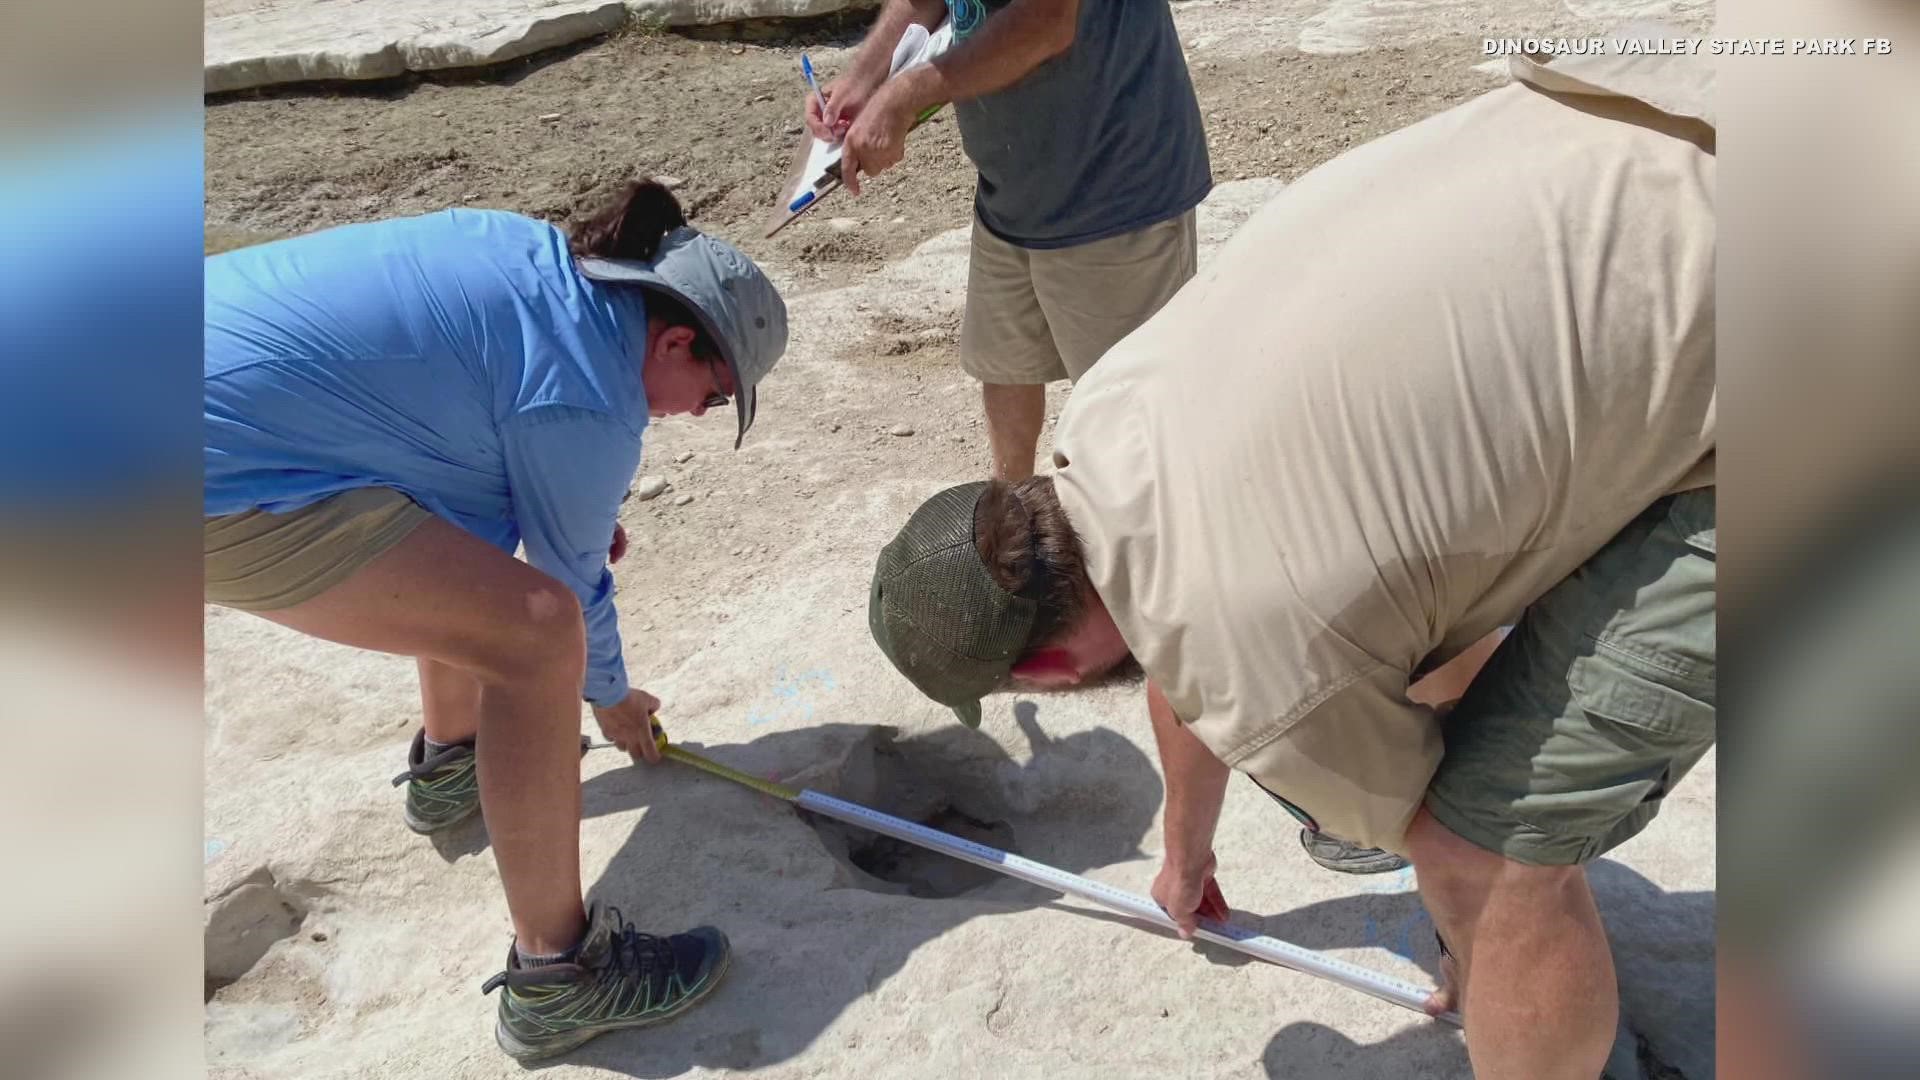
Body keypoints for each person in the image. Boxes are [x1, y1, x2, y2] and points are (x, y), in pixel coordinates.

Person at [866, 43, 1715, 1080]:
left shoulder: (1259, 669)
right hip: (1684, 126)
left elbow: (1408, 816)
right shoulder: (1114, 413)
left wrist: (1482, 933)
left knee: (1483, 858)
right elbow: (1183, 650)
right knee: (1418, 646)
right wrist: (1187, 858)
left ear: (1044, 671)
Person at [203, 181, 788, 1060]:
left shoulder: (539, 270)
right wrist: (613, 699)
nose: (693, 418)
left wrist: (554, 503)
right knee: (536, 635)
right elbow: (572, 588)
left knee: (474, 556)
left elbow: (464, 479)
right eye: (709, 396)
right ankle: (557, 981)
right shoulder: (589, 391)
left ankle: (453, 768)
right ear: (673, 339)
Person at [805, 0, 1210, 482]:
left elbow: (1045, 21)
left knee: (1132, 423)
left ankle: (1148, 553)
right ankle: (1014, 525)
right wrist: (864, 78)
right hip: (1013, 186)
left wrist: (905, 93)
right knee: (1007, 370)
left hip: (1113, 188)